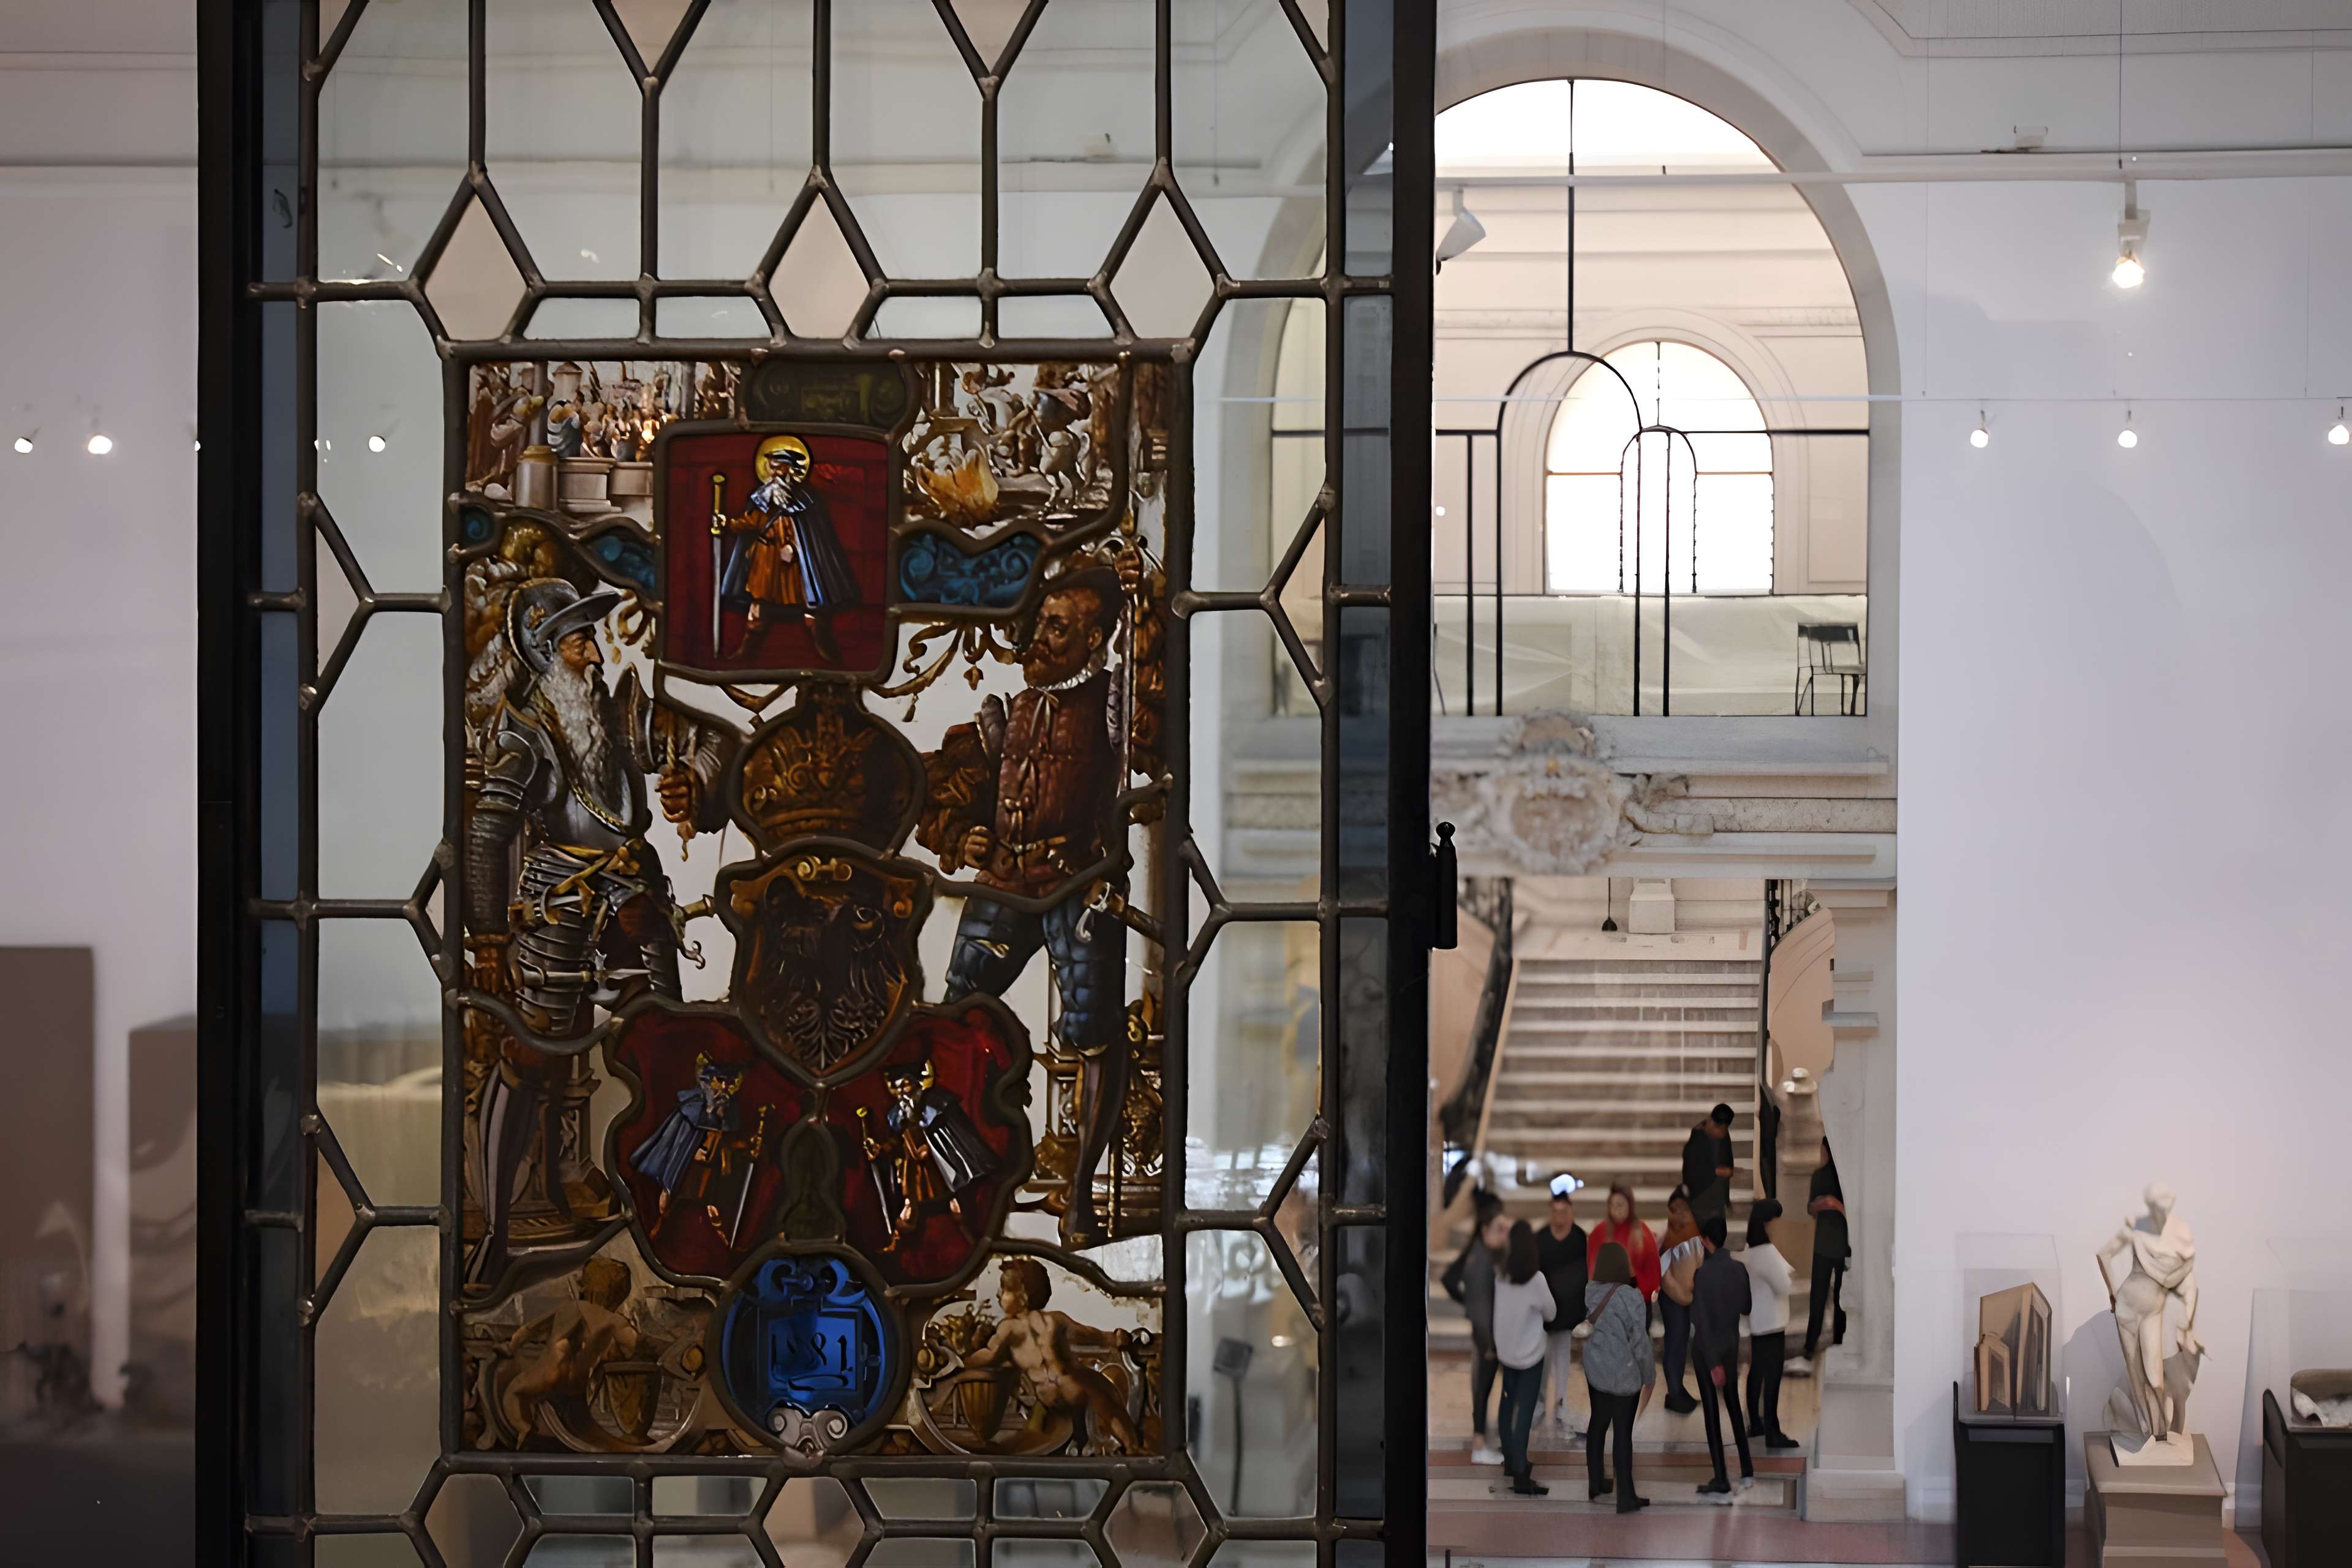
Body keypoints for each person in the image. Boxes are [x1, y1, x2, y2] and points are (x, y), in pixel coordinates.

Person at [1581, 1242, 1655, 1513]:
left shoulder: (1591, 1291)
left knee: (1598, 1423)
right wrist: (1649, 1375)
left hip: (1596, 1368)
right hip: (1624, 1372)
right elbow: (1640, 1343)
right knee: (1623, 1434)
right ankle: (1626, 1496)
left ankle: (1596, 1483)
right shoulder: (1631, 1297)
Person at [1689, 1213, 1755, 1502]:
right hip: (1731, 1345)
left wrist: (1713, 1362)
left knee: (1712, 1414)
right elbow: (1747, 1307)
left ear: (1706, 1241)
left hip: (1708, 1352)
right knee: (1734, 1407)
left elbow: (1701, 1322)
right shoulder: (1739, 1269)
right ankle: (1747, 1469)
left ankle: (1721, 1478)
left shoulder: (1703, 1274)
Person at [1441, 1191, 1510, 1464]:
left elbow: (1451, 1281)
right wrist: (1488, 1342)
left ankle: (1484, 1438)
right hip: (1488, 1336)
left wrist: (1467, 1303)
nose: (1504, 1234)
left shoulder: (1481, 1250)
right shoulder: (1481, 1260)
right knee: (1483, 1386)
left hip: (1487, 1332)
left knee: (1483, 1386)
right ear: (1486, 1228)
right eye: (1500, 1228)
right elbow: (1480, 1305)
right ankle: (1479, 1444)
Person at [1491, 1221, 1556, 1496]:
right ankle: (1520, 1474)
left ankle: (1510, 1460)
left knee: (1507, 1406)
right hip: (1530, 1356)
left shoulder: (1501, 1275)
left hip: (1506, 1353)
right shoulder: (1536, 1280)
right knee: (1525, 1412)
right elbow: (1551, 1313)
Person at [1741, 1199, 1800, 1449]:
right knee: (1772, 1377)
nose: (1778, 1227)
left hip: (1759, 1320)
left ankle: (1756, 1423)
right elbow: (1784, 1285)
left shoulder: (1751, 1248)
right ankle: (1773, 1433)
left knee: (1757, 1372)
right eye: (1775, 1222)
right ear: (1765, 1224)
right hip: (1773, 1322)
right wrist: (1787, 1276)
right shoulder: (1766, 1252)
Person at [1536, 1182, 1589, 1437]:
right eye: (1555, 1212)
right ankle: (1538, 1406)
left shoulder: (1579, 1238)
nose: (1559, 1217)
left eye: (1563, 1212)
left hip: (1567, 1314)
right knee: (1541, 1363)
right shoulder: (1540, 1238)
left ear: (1570, 1211)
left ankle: (1560, 1404)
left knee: (1562, 1363)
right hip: (1543, 1316)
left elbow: (1583, 1275)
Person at [1792, 1137, 1847, 1376]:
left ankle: (1840, 1342)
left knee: (1841, 1299)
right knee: (1818, 1298)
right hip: (1823, 1246)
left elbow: (1852, 1213)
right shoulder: (1819, 1175)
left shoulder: (1847, 1178)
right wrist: (1819, 1205)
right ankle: (1810, 1346)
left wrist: (1835, 1204)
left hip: (1844, 1247)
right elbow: (1810, 1209)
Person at [1654, 1186, 1703, 1414]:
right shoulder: (1667, 1239)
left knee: (1681, 1344)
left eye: (1684, 1210)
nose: (1678, 1215)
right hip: (1673, 1299)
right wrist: (1684, 1297)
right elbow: (1664, 1276)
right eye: (1674, 1210)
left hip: (1687, 1297)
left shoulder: (1694, 1235)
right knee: (1675, 1343)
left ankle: (1678, 1388)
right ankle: (1674, 1392)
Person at [1585, 1181, 1661, 1305]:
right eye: (1613, 1205)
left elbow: (1653, 1272)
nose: (1617, 1209)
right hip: (1607, 1302)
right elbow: (1591, 1271)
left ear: (1630, 1206)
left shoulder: (1643, 1233)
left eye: (1620, 1205)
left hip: (1638, 1300)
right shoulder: (1598, 1234)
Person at [1681, 1103, 1737, 1226]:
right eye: (1721, 1129)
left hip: (1717, 1199)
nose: (1723, 1133)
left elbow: (1728, 1159)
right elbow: (1690, 1172)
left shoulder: (1724, 1136)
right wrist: (1716, 1171)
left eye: (1725, 1130)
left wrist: (1729, 1171)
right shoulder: (1697, 1136)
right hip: (1700, 1198)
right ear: (1712, 1122)